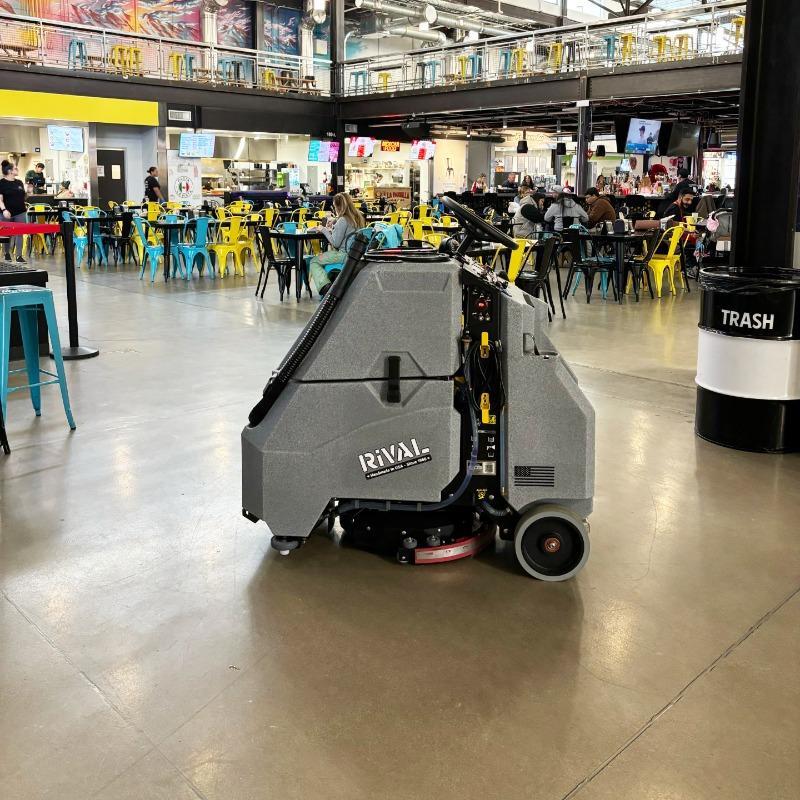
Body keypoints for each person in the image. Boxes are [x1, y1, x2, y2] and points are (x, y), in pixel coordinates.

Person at [308, 193, 365, 297]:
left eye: (334, 206)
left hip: (343, 255)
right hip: (355, 254)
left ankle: (326, 288)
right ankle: (330, 283)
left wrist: (323, 229)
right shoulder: (358, 217)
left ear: (338, 206)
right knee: (320, 259)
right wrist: (336, 222)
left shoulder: (343, 220)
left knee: (314, 261)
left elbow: (336, 243)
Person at [0, 160, 28, 262]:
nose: (18, 169)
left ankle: (18, 255)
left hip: (20, 212)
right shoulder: (1, 183)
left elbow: (23, 196)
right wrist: (4, 210)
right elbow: (0, 200)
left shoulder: (19, 182)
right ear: (10, 171)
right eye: (16, 168)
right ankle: (7, 253)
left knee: (19, 233)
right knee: (6, 233)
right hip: (7, 213)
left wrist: (28, 191)